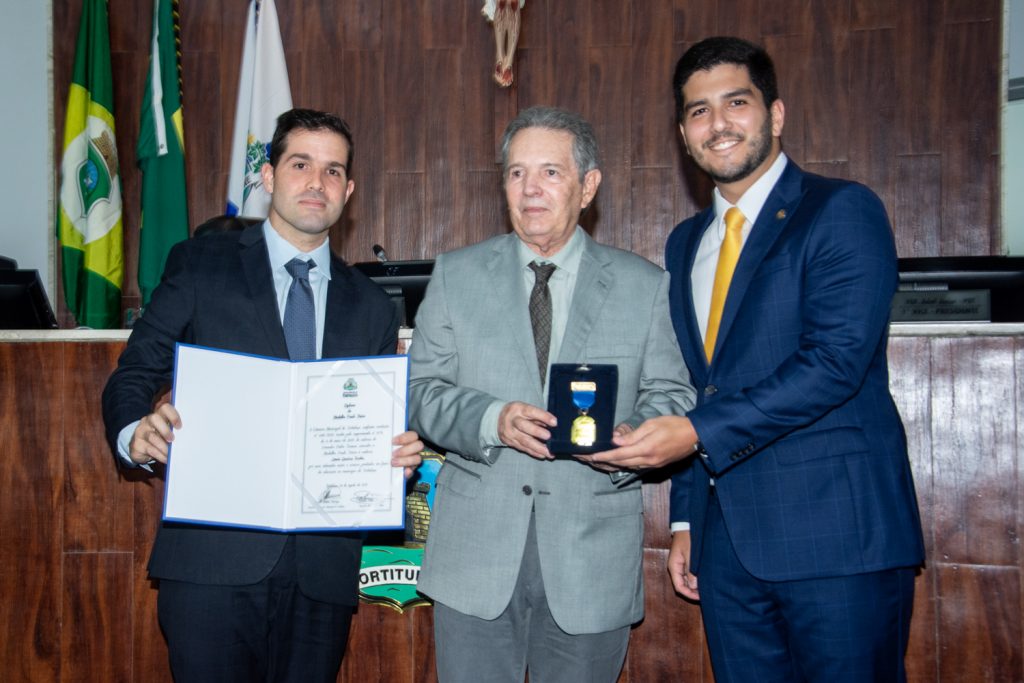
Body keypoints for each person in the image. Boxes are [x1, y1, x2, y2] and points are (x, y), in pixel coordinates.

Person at [585, 37, 925, 682]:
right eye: (697, 111)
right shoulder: (686, 244)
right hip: (727, 549)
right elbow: (697, 387)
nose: (718, 124)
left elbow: (835, 363)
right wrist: (687, 517)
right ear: (683, 133)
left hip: (837, 538)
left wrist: (691, 434)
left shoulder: (841, 210)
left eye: (735, 103)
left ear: (775, 114)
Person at [101, 108, 424, 682]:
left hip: (320, 575)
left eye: (332, 171)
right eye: (301, 164)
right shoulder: (202, 263)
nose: (315, 182)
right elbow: (134, 373)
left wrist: (388, 464)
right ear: (271, 176)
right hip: (210, 563)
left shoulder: (371, 307)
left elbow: (368, 427)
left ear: (348, 190)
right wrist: (135, 433)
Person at [408, 106, 696, 683]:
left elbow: (673, 394)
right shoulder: (455, 275)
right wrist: (492, 419)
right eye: (516, 173)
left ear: (588, 185)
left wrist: (629, 441)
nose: (530, 189)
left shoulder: (644, 285)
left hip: (589, 557)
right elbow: (420, 393)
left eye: (550, 172)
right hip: (474, 559)